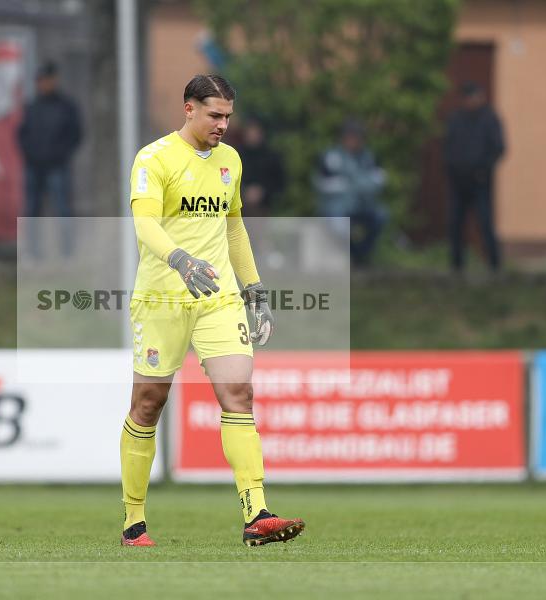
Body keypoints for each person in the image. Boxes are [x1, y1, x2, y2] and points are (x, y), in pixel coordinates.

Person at [120, 74, 304, 548]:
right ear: (189, 109)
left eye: (228, 116)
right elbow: (145, 223)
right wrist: (179, 259)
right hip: (161, 297)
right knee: (148, 404)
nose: (223, 124)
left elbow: (235, 229)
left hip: (218, 299)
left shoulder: (231, 161)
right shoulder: (154, 158)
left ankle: (256, 512)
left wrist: (256, 289)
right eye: (214, 115)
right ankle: (134, 520)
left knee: (239, 393)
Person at [16, 61, 81, 256]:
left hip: (57, 166)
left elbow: (75, 134)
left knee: (62, 209)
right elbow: (22, 134)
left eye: (46, 80)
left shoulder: (67, 107)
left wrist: (59, 153)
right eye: (40, 81)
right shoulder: (32, 107)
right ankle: (34, 253)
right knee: (32, 211)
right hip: (34, 167)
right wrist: (31, 154)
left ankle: (67, 252)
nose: (43, 84)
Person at [444, 82, 505, 273]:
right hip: (458, 181)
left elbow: (499, 148)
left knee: (485, 221)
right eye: (470, 97)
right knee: (455, 223)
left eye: (476, 96)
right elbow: (448, 147)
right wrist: (452, 169)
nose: (473, 101)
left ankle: (494, 264)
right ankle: (456, 265)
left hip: (481, 181)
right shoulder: (456, 119)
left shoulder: (490, 119)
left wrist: (483, 169)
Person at [315, 119, 387, 267]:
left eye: (357, 137)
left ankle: (362, 254)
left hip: (363, 206)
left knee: (381, 216)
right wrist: (355, 184)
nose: (353, 141)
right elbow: (323, 184)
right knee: (339, 227)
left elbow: (378, 181)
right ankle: (353, 256)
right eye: (350, 137)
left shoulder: (368, 157)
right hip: (337, 208)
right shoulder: (332, 157)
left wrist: (354, 184)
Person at [238, 118, 284, 218]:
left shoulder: (272, 157)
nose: (252, 135)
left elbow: (279, 182)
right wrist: (244, 192)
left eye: (255, 132)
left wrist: (262, 191)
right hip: (240, 207)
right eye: (250, 131)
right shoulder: (236, 156)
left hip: (264, 207)